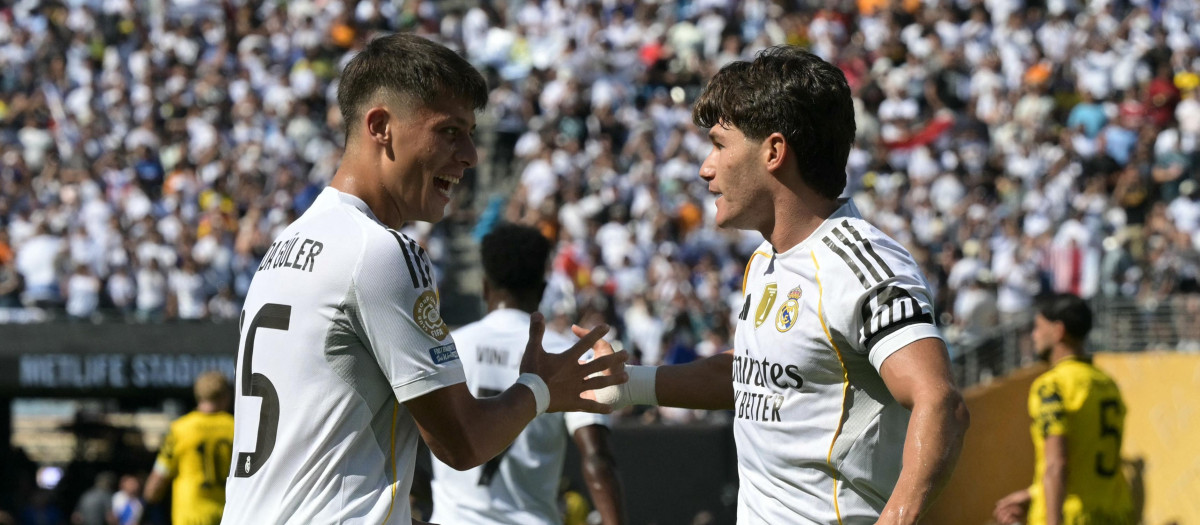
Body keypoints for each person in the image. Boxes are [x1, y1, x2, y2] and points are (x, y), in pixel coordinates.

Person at [220, 33, 626, 524]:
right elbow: (461, 440)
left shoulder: (283, 248)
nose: (471, 154)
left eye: (471, 132)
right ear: (381, 126)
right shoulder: (381, 251)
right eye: (451, 131)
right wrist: (539, 388)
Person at [582, 46, 970, 524]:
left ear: (773, 151)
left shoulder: (862, 265)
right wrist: (633, 384)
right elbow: (755, 374)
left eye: (720, 145)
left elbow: (940, 401)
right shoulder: (767, 259)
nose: (705, 167)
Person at [430, 223, 626, 525]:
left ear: (484, 286)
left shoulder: (448, 347)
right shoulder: (569, 355)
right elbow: (597, 456)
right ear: (543, 290)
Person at [993, 294, 1136, 525]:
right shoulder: (1108, 384)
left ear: (1058, 330)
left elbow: (1056, 464)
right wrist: (1034, 494)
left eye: (1039, 327)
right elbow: (1087, 464)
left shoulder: (1052, 385)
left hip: (1072, 517)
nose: (1034, 335)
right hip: (1115, 514)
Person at [143, 371, 235, 525]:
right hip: (226, 516)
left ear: (198, 395)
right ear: (226, 396)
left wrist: (146, 505)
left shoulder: (180, 429)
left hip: (189, 518)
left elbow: (157, 481)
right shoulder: (236, 428)